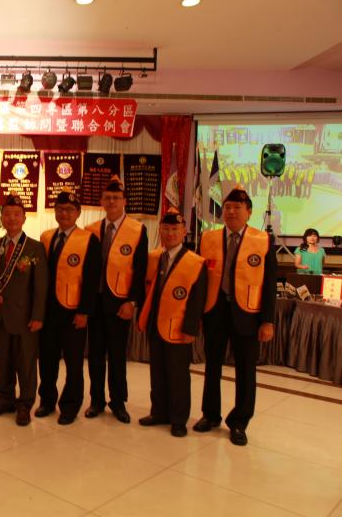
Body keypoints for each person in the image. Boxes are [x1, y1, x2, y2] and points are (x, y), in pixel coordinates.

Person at [193, 187, 277, 446]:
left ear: (248, 212)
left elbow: (269, 284)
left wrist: (267, 320)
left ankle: (239, 422)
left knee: (246, 371)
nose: (231, 212)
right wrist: (197, 315)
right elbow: (199, 280)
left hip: (248, 314)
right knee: (212, 366)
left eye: (237, 208)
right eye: (228, 207)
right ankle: (210, 415)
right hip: (215, 312)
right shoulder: (208, 238)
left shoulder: (263, 240)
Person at [137, 209, 207, 437]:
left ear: (184, 232)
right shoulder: (156, 257)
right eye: (166, 229)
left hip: (178, 328)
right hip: (156, 325)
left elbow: (197, 300)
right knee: (157, 373)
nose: (170, 233)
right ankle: (159, 412)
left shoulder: (195, 262)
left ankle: (178, 419)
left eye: (175, 229)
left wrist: (190, 329)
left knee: (178, 376)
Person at [84, 175, 147, 424]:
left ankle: (118, 402)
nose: (112, 202)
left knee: (118, 356)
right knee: (95, 355)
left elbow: (140, 270)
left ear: (124, 201)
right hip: (95, 303)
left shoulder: (137, 230)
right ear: (101, 201)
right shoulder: (91, 230)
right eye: (107, 198)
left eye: (116, 198)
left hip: (120, 303)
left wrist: (132, 302)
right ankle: (96, 401)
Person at [36, 190, 101, 425]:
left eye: (70, 210)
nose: (64, 214)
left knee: (74, 364)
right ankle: (47, 401)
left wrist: (84, 311)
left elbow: (92, 280)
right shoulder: (46, 237)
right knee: (47, 360)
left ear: (78, 213)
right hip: (48, 312)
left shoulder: (88, 239)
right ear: (55, 212)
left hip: (73, 312)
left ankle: (70, 405)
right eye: (60, 209)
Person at [0, 194, 48, 426]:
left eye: (16, 214)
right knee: (5, 362)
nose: (11, 218)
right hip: (1, 316)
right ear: (2, 218)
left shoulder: (35, 247)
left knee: (26, 363)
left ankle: (25, 404)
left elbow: (41, 286)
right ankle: (5, 399)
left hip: (25, 318)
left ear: (24, 218)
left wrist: (38, 316)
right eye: (7, 214)